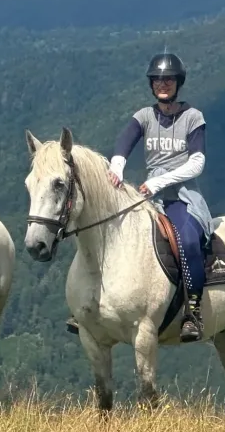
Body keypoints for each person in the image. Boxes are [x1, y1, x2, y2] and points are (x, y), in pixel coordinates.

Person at [71, 52, 213, 342]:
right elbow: (124, 144)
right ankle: (85, 303)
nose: (163, 84)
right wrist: (117, 167)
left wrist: (161, 180)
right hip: (148, 194)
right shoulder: (144, 116)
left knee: (187, 239)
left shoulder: (192, 117)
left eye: (169, 80)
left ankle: (192, 311)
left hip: (180, 195)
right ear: (151, 84)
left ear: (178, 83)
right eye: (158, 80)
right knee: (101, 230)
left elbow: (197, 162)